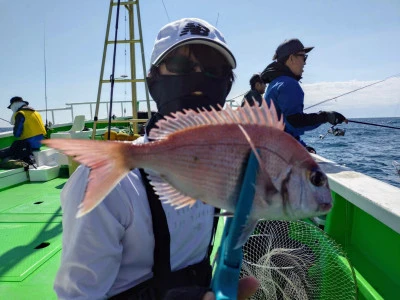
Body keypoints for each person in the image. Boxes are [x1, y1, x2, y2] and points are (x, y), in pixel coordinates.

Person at [54, 18, 258, 300]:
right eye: (181, 66)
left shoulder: (221, 170)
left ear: (227, 84)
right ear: (153, 81)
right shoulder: (108, 183)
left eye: (214, 68)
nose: (198, 77)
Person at [261, 38, 347, 153]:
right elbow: (295, 122)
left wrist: (300, 146)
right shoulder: (289, 84)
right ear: (291, 58)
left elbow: (284, 126)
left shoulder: (274, 84)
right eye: (303, 57)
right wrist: (326, 116)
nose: (305, 62)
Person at [0, 96, 46, 162]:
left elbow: (16, 134)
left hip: (28, 145)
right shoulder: (35, 112)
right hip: (38, 144)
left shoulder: (20, 114)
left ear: (14, 105)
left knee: (2, 153)